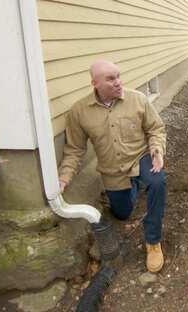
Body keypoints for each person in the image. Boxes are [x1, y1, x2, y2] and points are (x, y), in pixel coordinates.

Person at [58, 60, 167, 273]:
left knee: (157, 181)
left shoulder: (138, 99)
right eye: (110, 79)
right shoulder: (79, 112)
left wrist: (157, 150)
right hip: (113, 171)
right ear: (94, 83)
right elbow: (74, 150)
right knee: (123, 213)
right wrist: (64, 178)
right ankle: (133, 186)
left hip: (141, 157)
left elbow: (156, 129)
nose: (118, 82)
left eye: (118, 76)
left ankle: (153, 241)